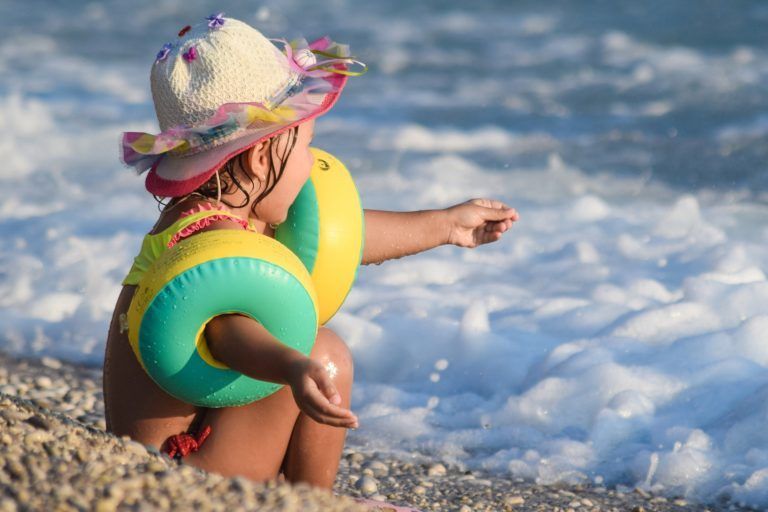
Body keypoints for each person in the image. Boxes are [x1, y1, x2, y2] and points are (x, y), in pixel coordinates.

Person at [103, 13, 519, 490]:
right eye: (306, 146)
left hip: (181, 460)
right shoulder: (206, 241)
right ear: (262, 157)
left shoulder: (223, 215)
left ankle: (299, 494)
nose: (309, 165)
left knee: (308, 349)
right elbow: (224, 331)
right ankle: (316, 500)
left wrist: (446, 225)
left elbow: (336, 243)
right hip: (178, 479)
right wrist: (292, 366)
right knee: (321, 352)